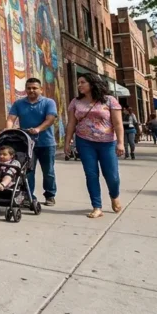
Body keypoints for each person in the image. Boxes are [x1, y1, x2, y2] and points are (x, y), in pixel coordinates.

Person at [64, 74, 125, 219]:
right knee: (91, 174)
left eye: (82, 82)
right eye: (78, 83)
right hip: (84, 142)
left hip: (107, 142)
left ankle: (114, 195)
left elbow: (117, 123)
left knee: (112, 175)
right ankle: (97, 206)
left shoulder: (109, 100)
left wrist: (121, 142)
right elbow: (72, 123)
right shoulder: (75, 102)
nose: (79, 85)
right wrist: (68, 142)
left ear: (92, 84)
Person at [5, 77, 59, 205]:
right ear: (25, 89)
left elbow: (50, 119)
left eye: (34, 88)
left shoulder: (48, 102)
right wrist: (8, 130)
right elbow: (11, 119)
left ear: (41, 89)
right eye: (29, 88)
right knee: (28, 171)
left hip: (46, 143)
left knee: (48, 172)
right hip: (27, 143)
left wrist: (38, 129)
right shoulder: (19, 103)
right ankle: (29, 196)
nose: (31, 90)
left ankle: (50, 195)